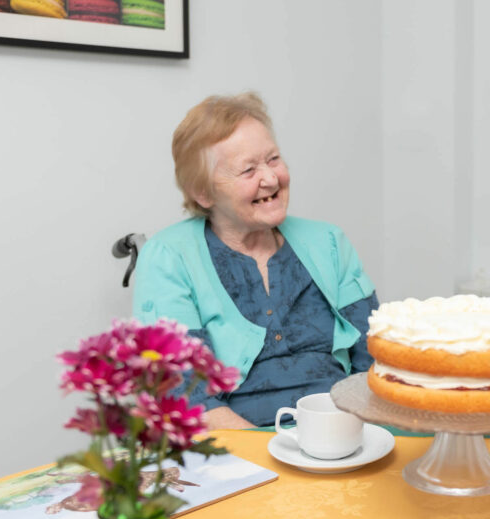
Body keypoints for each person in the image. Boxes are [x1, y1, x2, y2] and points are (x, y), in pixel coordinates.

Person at [132, 92, 378, 429]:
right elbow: (185, 394)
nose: (271, 179)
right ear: (203, 193)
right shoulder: (168, 257)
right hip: (238, 452)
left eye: (273, 159)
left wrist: (345, 437)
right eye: (248, 170)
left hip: (341, 435)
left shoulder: (329, 242)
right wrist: (275, 455)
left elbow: (373, 361)